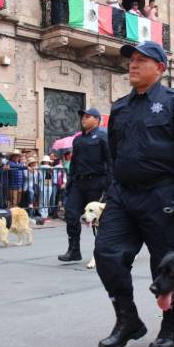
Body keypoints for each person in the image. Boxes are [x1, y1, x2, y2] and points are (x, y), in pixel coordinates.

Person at [94, 40, 174, 347]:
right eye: (131, 59)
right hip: (123, 196)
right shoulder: (120, 107)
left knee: (170, 266)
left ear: (160, 68)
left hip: (162, 195)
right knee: (106, 254)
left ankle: (171, 329)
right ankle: (127, 319)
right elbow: (114, 155)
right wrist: (110, 190)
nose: (133, 64)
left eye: (142, 60)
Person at [59, 108, 112, 262]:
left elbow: (110, 161)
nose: (83, 119)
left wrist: (110, 184)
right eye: (82, 116)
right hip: (78, 182)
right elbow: (74, 162)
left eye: (87, 117)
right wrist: (69, 181)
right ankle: (74, 250)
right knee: (71, 213)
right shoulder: (78, 139)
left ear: (96, 119)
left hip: (97, 182)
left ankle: (101, 251)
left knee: (99, 218)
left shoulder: (103, 137)